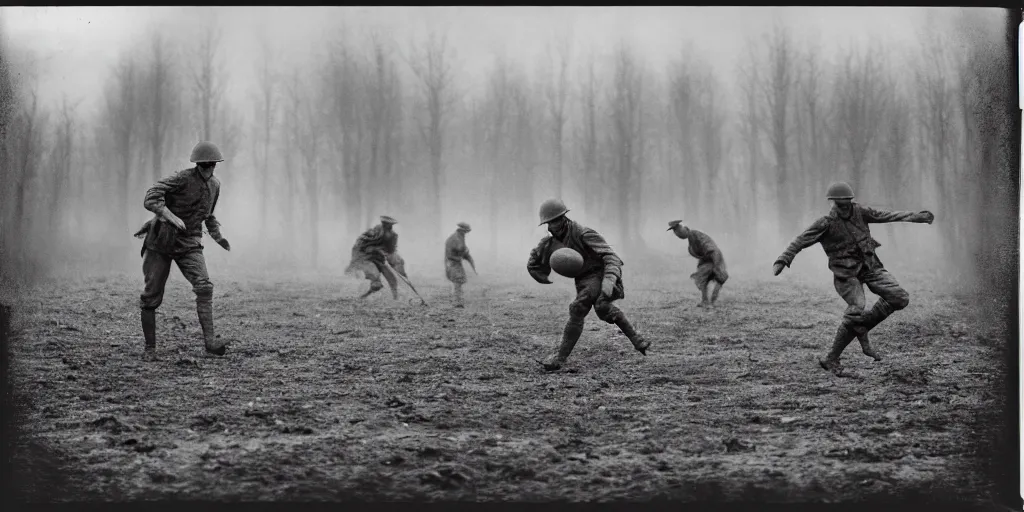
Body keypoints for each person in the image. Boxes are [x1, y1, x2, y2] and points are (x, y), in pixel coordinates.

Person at [772, 181, 934, 374]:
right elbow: (801, 240)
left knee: (899, 298)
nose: (845, 207)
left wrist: (916, 217)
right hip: (846, 274)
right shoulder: (826, 223)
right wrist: (783, 259)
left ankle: (861, 327)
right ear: (833, 203)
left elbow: (887, 215)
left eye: (847, 203)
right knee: (856, 307)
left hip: (870, 266)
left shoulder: (861, 212)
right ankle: (834, 356)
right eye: (840, 204)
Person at [133, 141, 232, 361]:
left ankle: (210, 343)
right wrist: (169, 216)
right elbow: (151, 196)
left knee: (204, 287)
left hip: (189, 244)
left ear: (215, 165)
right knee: (151, 296)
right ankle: (150, 349)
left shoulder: (215, 186)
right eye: (204, 165)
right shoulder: (181, 179)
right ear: (197, 165)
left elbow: (208, 216)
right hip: (160, 243)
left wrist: (219, 237)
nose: (208, 169)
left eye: (211, 165)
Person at [527, 199, 650, 371]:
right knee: (602, 308)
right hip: (583, 280)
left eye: (556, 220)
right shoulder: (550, 242)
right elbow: (535, 260)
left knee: (578, 307)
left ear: (564, 218)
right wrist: (535, 268)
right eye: (549, 222)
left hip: (599, 274)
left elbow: (611, 257)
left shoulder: (583, 233)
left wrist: (609, 280)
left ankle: (559, 359)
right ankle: (638, 340)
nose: (553, 225)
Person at [667, 220, 729, 308]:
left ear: (684, 228)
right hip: (707, 260)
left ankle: (712, 301)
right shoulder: (691, 240)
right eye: (676, 233)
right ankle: (706, 301)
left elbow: (712, 249)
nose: (678, 234)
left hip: (714, 257)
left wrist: (716, 265)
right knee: (701, 277)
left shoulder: (695, 234)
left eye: (678, 231)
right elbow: (701, 255)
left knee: (719, 276)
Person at [345, 216, 407, 300]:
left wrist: (399, 268)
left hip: (379, 259)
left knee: (392, 280)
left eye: (390, 225)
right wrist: (375, 249)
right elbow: (360, 246)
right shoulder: (372, 233)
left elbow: (392, 253)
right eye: (386, 224)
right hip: (365, 258)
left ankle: (395, 299)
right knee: (376, 281)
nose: (388, 226)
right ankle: (363, 296)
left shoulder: (393, 236)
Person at [444, 222, 476, 308]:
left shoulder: (459, 236)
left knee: (459, 281)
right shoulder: (455, 238)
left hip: (455, 262)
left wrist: (471, 262)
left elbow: (463, 252)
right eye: (466, 231)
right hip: (452, 262)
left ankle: (457, 300)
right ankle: (457, 302)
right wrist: (465, 253)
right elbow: (460, 249)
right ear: (462, 230)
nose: (466, 233)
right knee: (458, 280)